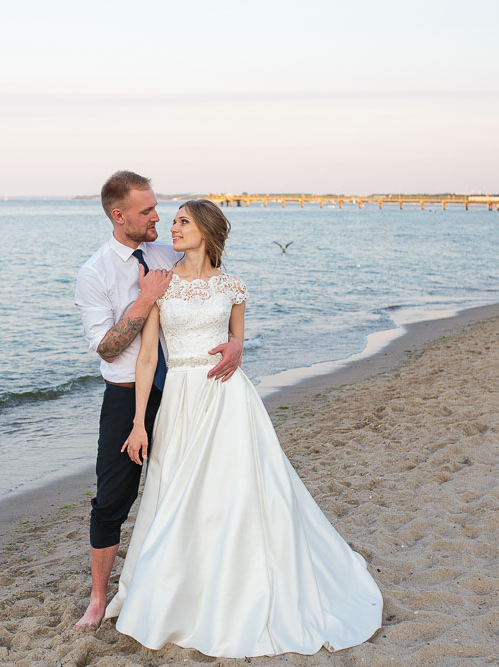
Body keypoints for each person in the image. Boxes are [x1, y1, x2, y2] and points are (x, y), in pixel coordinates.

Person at [103, 199, 384, 657]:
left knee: (232, 493)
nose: (172, 227)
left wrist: (235, 347)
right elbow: (149, 356)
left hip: (226, 397)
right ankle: (177, 589)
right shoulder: (162, 285)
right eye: (171, 220)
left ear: (207, 231)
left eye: (183, 222)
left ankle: (235, 586)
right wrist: (139, 422)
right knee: (178, 492)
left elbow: (238, 339)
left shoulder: (232, 285)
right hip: (180, 397)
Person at [73, 173, 244, 630]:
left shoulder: (168, 251)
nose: (158, 219)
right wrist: (144, 301)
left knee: (194, 489)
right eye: (147, 211)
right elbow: (107, 348)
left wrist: (235, 342)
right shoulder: (95, 273)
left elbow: (212, 293)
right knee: (113, 497)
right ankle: (96, 598)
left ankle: (199, 581)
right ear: (119, 215)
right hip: (129, 396)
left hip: (188, 391)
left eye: (160, 210)